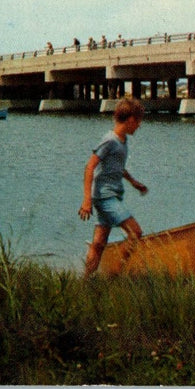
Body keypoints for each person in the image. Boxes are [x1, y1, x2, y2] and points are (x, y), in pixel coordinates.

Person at [78, 98, 150, 276]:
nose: (139, 126)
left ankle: (86, 281)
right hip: (105, 196)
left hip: (112, 195)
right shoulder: (110, 140)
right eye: (138, 121)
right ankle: (116, 274)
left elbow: (116, 166)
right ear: (131, 119)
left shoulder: (122, 140)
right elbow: (89, 167)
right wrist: (86, 201)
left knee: (99, 243)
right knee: (136, 232)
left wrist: (133, 182)